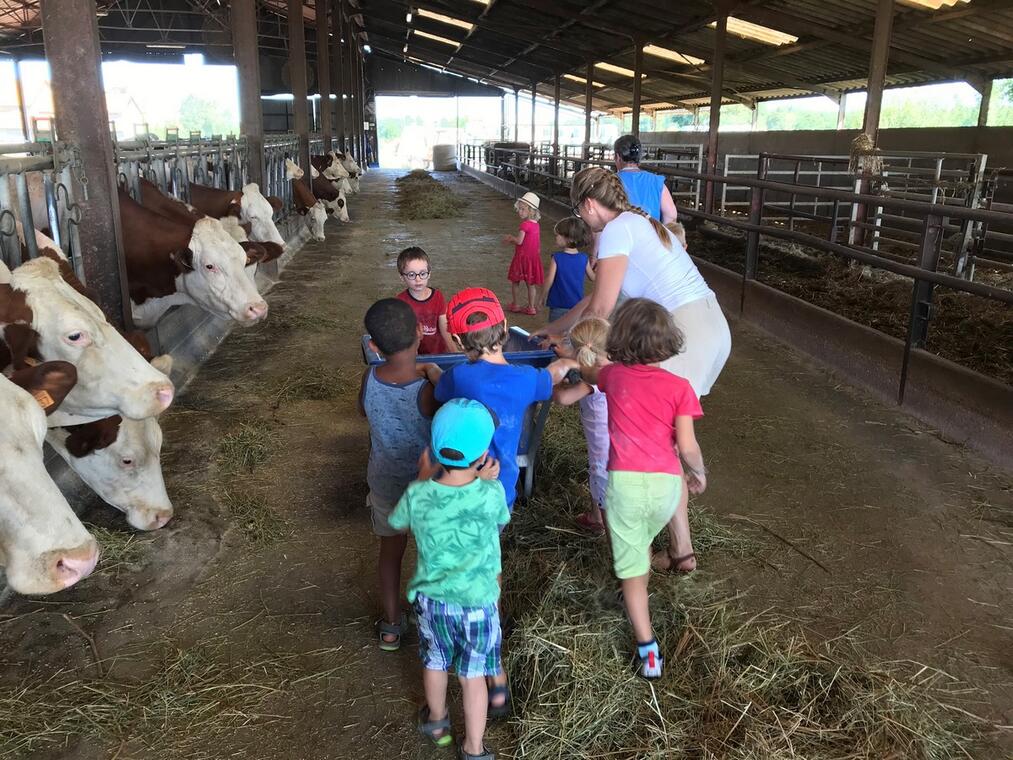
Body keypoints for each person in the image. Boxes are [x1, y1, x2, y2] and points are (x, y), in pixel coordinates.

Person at [538, 166, 731, 572]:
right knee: (669, 441)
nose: (583, 223)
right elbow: (597, 300)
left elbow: (602, 310)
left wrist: (572, 351)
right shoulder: (638, 224)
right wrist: (553, 329)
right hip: (708, 326)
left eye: (579, 212)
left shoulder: (614, 232)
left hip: (684, 332)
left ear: (589, 205)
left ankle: (671, 550)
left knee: (665, 442)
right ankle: (681, 552)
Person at [436, 287, 574, 718]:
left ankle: (459, 634)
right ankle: (492, 663)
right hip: (499, 493)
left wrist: (428, 372)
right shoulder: (524, 380)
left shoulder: (459, 376)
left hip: (457, 489)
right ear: (503, 332)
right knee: (489, 569)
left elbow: (439, 390)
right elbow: (550, 380)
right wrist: (566, 361)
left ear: (458, 343)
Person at [581, 298, 707, 679]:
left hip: (625, 486)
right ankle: (658, 561)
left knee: (632, 572)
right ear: (667, 341)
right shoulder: (680, 387)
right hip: (667, 486)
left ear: (619, 336)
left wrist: (578, 358)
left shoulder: (614, 376)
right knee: (644, 539)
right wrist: (699, 473)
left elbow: (590, 375)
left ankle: (648, 649)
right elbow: (686, 445)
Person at [390, 399, 507, 760]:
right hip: (479, 602)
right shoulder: (492, 493)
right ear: (483, 453)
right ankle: (474, 748)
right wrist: (483, 481)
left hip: (432, 602)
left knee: (435, 661)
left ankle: (438, 722)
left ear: (434, 446)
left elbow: (397, 523)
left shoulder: (419, 494)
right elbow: (499, 521)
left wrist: (423, 481)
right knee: (472, 676)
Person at [358, 298, 441, 652]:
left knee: (390, 553)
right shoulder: (427, 390)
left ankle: (391, 625)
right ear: (420, 333)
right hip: (427, 488)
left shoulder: (369, 376)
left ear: (373, 346)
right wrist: (435, 374)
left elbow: (362, 411)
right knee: (431, 555)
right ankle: (433, 622)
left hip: (385, 482)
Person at [551, 317, 610, 534]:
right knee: (596, 476)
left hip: (604, 451)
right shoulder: (615, 370)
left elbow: (563, 399)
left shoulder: (592, 380)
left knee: (602, 481)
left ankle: (607, 531)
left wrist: (553, 383)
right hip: (623, 445)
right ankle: (596, 517)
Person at [395, 246, 454, 355]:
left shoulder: (438, 297)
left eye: (422, 274)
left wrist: (454, 353)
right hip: (415, 355)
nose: (418, 279)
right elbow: (405, 336)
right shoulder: (400, 302)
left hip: (439, 354)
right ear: (402, 277)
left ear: (429, 274)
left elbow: (445, 329)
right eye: (411, 275)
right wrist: (415, 360)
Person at [613, 134, 678, 224]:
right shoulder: (656, 182)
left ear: (618, 157)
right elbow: (671, 216)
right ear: (639, 157)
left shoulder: (610, 181)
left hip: (620, 235)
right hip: (651, 234)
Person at [542, 217, 595, 323]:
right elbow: (593, 277)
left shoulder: (557, 257)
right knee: (569, 335)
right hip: (576, 307)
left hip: (558, 304)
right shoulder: (584, 258)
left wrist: (542, 296)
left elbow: (549, 279)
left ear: (568, 238)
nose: (555, 237)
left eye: (558, 235)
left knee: (554, 332)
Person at [502, 191, 543, 316]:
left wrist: (510, 238)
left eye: (523, 209)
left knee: (516, 282)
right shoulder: (536, 225)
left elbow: (519, 241)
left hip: (521, 258)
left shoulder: (524, 225)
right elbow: (537, 244)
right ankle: (531, 307)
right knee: (531, 284)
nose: (520, 211)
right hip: (532, 258)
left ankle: (515, 304)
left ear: (531, 211)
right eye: (519, 209)